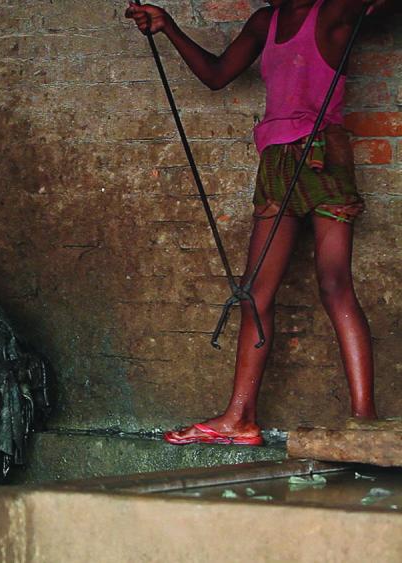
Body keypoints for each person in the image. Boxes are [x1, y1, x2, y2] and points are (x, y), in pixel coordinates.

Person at [125, 0, 396, 445]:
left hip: (321, 155)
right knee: (259, 291)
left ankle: (364, 421)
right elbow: (215, 76)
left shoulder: (332, 11)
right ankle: (241, 417)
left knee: (332, 284)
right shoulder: (264, 21)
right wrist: (167, 26)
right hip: (279, 162)